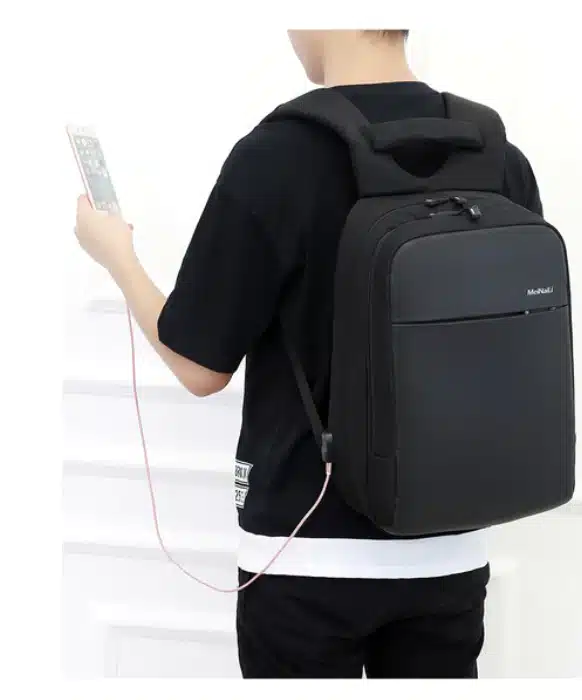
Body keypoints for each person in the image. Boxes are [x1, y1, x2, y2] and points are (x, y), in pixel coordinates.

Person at [74, 29, 543, 678]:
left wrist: (117, 257)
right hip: (452, 558)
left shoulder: (276, 157)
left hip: (305, 559)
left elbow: (199, 367)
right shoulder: (495, 156)